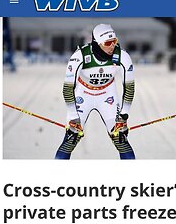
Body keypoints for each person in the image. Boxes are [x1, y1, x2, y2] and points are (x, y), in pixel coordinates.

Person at [55, 24, 135, 160]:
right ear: (97, 43)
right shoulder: (79, 56)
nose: (112, 46)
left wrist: (123, 116)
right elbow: (68, 88)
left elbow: (129, 87)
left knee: (121, 140)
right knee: (70, 139)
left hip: (107, 95)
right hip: (83, 94)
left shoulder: (122, 56)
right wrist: (73, 117)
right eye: (108, 43)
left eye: (114, 41)